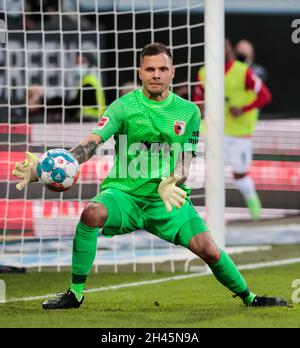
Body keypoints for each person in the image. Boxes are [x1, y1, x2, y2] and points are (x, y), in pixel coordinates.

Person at [13, 42, 287, 309]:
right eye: (150, 69)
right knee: (92, 213)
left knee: (210, 250)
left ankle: (250, 298)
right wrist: (52, 167)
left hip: (165, 201)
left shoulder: (189, 112)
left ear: (172, 72)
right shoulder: (122, 106)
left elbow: (184, 161)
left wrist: (172, 182)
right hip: (125, 194)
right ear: (140, 72)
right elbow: (93, 143)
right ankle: (75, 294)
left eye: (162, 69)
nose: (156, 74)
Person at [193, 39, 272, 220]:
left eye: (226, 48)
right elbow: (198, 99)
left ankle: (255, 211)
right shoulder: (204, 73)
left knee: (240, 176)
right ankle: (213, 216)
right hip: (213, 131)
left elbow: (265, 96)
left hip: (239, 133)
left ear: (229, 51)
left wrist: (243, 108)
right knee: (212, 174)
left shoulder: (243, 72)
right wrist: (200, 109)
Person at [28, 52, 106, 122]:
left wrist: (55, 104)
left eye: (82, 63)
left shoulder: (89, 84)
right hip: (90, 120)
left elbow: (73, 109)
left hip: (91, 121)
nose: (78, 66)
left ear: (89, 65)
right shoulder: (86, 81)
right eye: (77, 63)